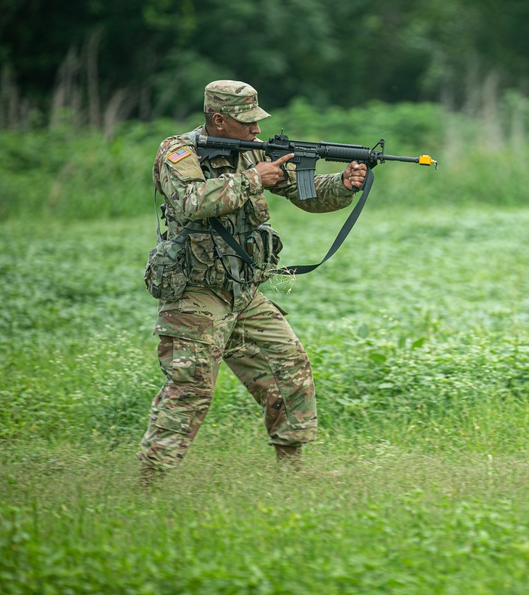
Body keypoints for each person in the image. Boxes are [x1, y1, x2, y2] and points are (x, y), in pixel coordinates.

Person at [137, 79, 367, 483]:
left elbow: (305, 192)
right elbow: (191, 202)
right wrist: (253, 180)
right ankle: (149, 480)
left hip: (242, 290)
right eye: (248, 123)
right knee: (190, 390)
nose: (257, 131)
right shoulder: (177, 152)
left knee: (288, 365)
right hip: (196, 294)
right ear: (220, 120)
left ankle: (291, 468)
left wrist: (342, 184)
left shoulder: (251, 154)